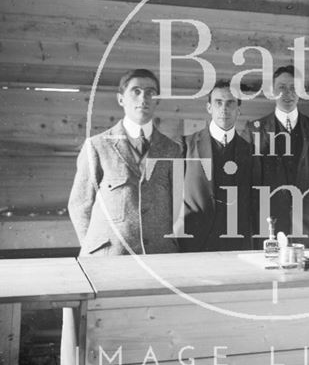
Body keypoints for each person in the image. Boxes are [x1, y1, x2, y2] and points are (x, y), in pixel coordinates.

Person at [68, 69, 183, 256]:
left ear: (158, 100)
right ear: (121, 99)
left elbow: (178, 206)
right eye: (136, 91)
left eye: (150, 92)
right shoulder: (97, 146)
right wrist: (93, 248)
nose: (143, 98)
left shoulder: (172, 149)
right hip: (110, 256)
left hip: (159, 256)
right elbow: (80, 204)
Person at [246, 65, 309, 248]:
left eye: (294, 88)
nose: (288, 93)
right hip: (269, 223)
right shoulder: (256, 129)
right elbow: (251, 181)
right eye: (282, 87)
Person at [176, 79, 256, 252]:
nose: (224, 109)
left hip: (236, 246)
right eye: (218, 103)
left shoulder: (251, 151)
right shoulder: (186, 146)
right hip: (193, 245)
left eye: (230, 103)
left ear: (238, 110)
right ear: (209, 108)